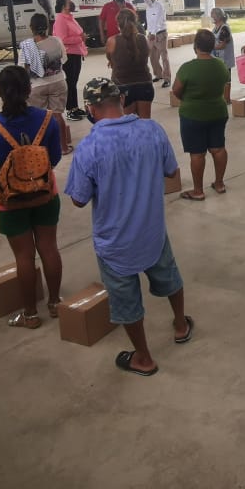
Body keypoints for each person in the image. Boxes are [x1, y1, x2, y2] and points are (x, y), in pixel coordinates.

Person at [66, 77, 192, 377]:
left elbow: (79, 200)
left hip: (115, 244)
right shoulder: (151, 130)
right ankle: (180, 324)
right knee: (170, 277)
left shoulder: (89, 147)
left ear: (90, 109)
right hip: (152, 232)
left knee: (126, 301)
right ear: (121, 100)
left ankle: (144, 358)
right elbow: (172, 171)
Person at [0, 66, 64, 328]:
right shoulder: (49, 119)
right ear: (29, 90)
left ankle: (30, 314)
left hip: (11, 202)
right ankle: (55, 303)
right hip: (46, 195)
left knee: (24, 257)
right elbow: (55, 158)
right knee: (49, 248)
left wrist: (7, 185)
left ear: (0, 92)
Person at [173, 29, 231, 200]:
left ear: (195, 46)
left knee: (197, 153)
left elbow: (176, 90)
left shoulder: (187, 68)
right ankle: (219, 183)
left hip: (193, 115)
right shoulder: (220, 65)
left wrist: (188, 99)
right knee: (218, 148)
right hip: (217, 112)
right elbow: (224, 83)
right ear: (213, 45)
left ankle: (198, 191)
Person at [20, 13, 72, 154]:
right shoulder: (56, 41)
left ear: (31, 28)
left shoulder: (27, 46)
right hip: (58, 82)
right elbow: (64, 59)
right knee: (57, 115)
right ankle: (63, 147)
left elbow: (24, 69)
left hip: (37, 86)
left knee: (38, 118)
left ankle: (41, 149)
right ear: (48, 26)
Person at [107, 9, 154, 119]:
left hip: (123, 85)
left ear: (118, 23)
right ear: (135, 21)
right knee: (145, 123)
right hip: (144, 83)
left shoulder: (112, 41)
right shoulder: (143, 39)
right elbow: (146, 56)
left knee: (128, 125)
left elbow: (111, 60)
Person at [52, 0, 88, 120]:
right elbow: (62, 39)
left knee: (73, 82)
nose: (71, 3)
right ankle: (70, 109)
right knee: (70, 82)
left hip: (76, 54)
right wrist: (80, 39)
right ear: (63, 5)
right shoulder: (61, 19)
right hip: (68, 55)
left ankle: (75, 107)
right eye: (69, 1)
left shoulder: (70, 18)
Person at [142, 0, 171, 89]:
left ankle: (167, 79)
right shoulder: (148, 7)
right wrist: (149, 33)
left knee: (164, 57)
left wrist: (153, 33)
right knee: (153, 56)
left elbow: (159, 21)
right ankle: (158, 75)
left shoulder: (159, 6)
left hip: (160, 34)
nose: (145, 0)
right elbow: (149, 22)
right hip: (151, 34)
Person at [210, 7, 235, 103]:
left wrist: (209, 47)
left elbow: (222, 45)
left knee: (226, 79)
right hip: (217, 58)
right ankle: (220, 97)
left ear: (218, 17)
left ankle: (227, 99)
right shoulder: (216, 27)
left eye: (213, 16)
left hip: (225, 58)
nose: (211, 18)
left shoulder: (224, 28)